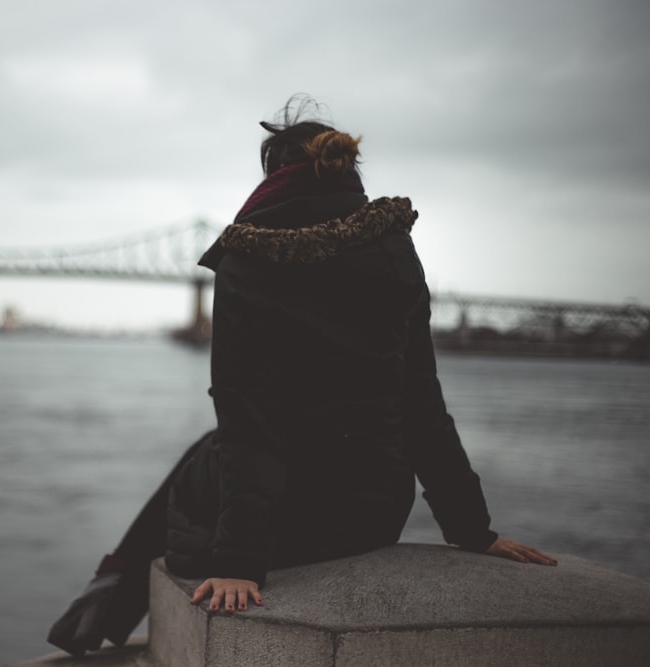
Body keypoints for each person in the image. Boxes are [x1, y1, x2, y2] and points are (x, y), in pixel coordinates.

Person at [47, 96, 556, 658]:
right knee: (210, 449)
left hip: (293, 522)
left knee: (206, 458)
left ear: (274, 177)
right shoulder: (394, 246)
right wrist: (472, 529)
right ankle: (109, 592)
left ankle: (107, 593)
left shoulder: (249, 255)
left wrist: (240, 563)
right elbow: (421, 400)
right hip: (374, 511)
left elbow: (248, 414)